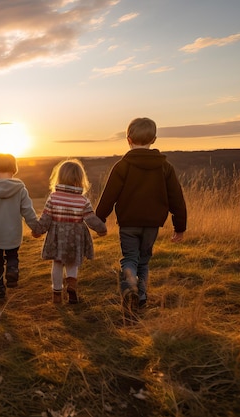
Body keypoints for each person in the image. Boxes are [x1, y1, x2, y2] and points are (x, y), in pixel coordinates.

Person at [95, 117, 187, 316]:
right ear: (153, 139)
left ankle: (129, 285)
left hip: (128, 223)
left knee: (130, 258)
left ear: (128, 139)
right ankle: (142, 298)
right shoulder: (165, 167)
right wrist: (179, 227)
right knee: (144, 261)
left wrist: (99, 219)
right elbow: (177, 199)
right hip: (152, 224)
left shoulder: (122, 166)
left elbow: (109, 196)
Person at [34, 159, 107, 304]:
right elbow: (91, 218)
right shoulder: (83, 200)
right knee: (72, 264)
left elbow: (46, 218)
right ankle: (72, 285)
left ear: (59, 177)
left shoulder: (53, 197)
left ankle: (57, 294)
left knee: (57, 264)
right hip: (75, 238)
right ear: (80, 179)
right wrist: (101, 229)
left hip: (57, 238)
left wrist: (38, 230)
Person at [0, 153, 40, 300]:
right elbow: (28, 212)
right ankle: (12, 270)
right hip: (13, 235)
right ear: (14, 170)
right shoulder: (20, 190)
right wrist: (35, 228)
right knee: (12, 255)